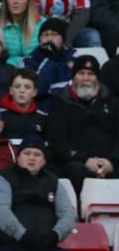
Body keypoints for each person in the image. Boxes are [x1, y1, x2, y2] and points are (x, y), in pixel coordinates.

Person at [0, 135, 81, 251]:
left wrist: (55, 236)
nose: (31, 157)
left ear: (44, 161)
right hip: (11, 246)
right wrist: (23, 235)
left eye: (37, 154)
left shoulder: (54, 182)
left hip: (47, 247)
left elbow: (68, 214)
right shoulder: (1, 179)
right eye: (27, 153)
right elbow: (0, 211)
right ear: (18, 158)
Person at [46, 55, 119, 195]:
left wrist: (112, 162)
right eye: (81, 73)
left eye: (91, 74)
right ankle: (78, 214)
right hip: (77, 163)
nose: (86, 78)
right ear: (73, 77)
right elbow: (57, 141)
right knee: (75, 170)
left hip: (111, 162)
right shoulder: (60, 103)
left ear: (97, 78)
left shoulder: (113, 102)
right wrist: (85, 160)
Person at [22, 17, 76, 109]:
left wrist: (50, 90)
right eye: (45, 35)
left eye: (54, 34)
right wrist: (51, 59)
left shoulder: (75, 57)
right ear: (39, 40)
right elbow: (37, 90)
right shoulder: (28, 61)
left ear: (63, 39)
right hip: (39, 110)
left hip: (69, 107)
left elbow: (74, 88)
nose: (49, 39)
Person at [0, 0, 47, 66]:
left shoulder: (42, 24)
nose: (15, 1)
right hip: (8, 70)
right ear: (6, 1)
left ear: (28, 0)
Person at [0, 67, 48, 140]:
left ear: (34, 92)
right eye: (17, 86)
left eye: (27, 87)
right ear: (11, 90)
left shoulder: (43, 118)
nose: (22, 90)